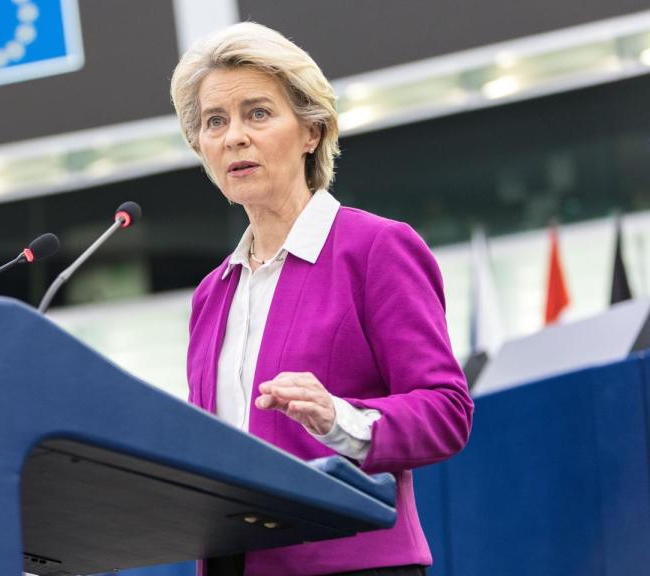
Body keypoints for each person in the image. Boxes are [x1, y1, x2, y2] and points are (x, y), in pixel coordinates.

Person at [171, 22, 473, 576]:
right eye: (215, 122)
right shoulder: (211, 295)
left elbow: (446, 411)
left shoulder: (375, 248)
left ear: (311, 131)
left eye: (257, 113)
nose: (234, 136)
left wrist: (340, 417)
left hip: (353, 563)